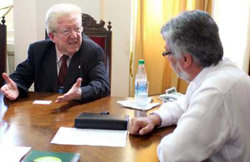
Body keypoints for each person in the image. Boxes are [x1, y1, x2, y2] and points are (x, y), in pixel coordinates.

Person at [129, 10, 250, 161]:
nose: (167, 59)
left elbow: (172, 154)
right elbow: (185, 103)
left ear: (186, 59)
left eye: (167, 53)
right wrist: (155, 118)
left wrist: (177, 134)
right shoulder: (222, 71)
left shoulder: (216, 91)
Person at [0, 3, 110, 103]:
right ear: (52, 36)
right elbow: (20, 77)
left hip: (78, 111)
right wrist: (15, 87)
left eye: (77, 29)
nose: (74, 36)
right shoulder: (38, 51)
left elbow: (102, 85)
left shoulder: (92, 51)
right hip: (44, 114)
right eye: (66, 31)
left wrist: (81, 92)